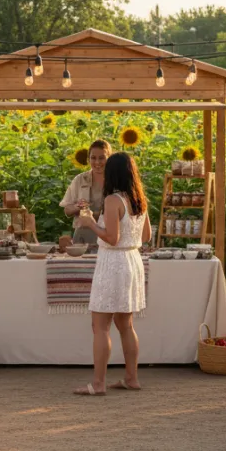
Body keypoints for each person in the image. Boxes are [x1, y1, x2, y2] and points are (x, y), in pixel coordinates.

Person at [73, 152, 151, 395]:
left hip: (113, 263)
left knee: (100, 327)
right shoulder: (139, 199)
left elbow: (112, 239)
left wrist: (90, 224)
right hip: (132, 260)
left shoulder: (112, 200)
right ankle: (131, 378)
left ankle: (98, 384)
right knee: (125, 325)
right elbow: (146, 237)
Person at [60, 139, 111, 244]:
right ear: (88, 159)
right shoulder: (80, 179)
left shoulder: (116, 180)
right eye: (93, 158)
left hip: (108, 236)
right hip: (82, 237)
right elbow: (67, 211)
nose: (97, 162)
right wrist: (78, 207)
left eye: (102, 158)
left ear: (109, 158)